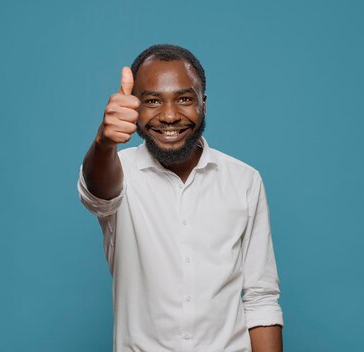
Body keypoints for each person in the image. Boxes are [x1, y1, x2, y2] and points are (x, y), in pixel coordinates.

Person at [78, 44, 284, 352]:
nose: (170, 115)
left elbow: (261, 298)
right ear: (134, 107)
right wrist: (104, 141)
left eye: (185, 99)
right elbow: (97, 192)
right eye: (152, 101)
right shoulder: (119, 171)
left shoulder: (244, 180)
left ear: (204, 103)